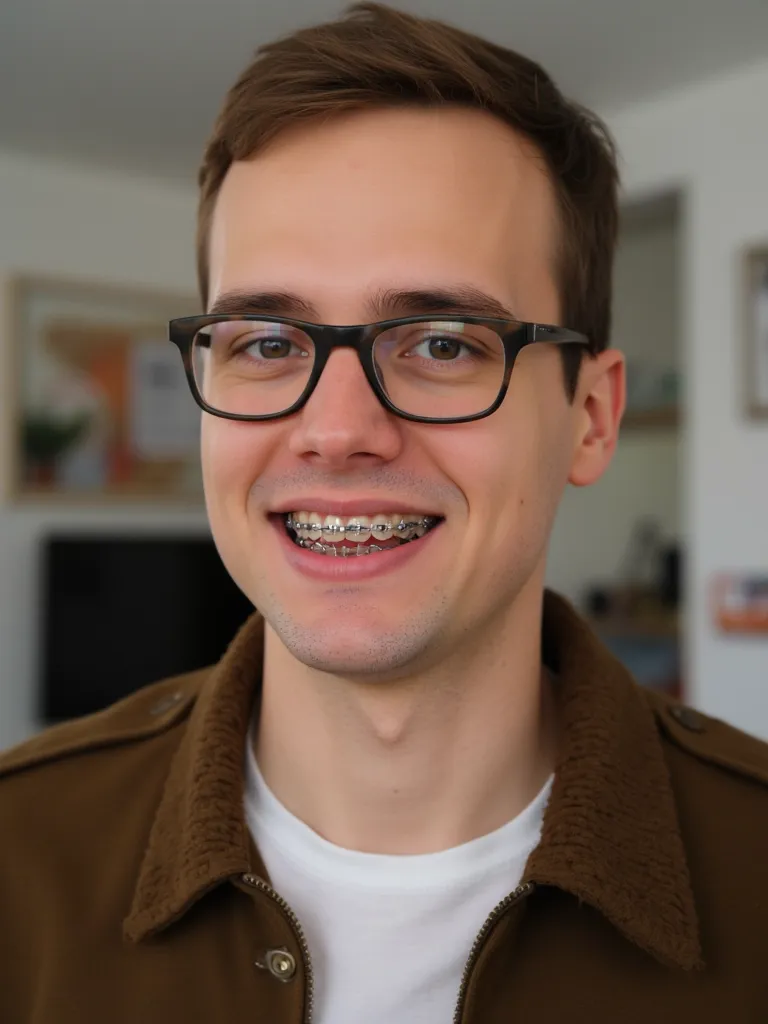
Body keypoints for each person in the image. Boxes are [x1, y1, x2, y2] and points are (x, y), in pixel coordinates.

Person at [2, 4, 767, 1022]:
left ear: (590, 416)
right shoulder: (19, 853)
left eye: (443, 341)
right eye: (267, 341)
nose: (336, 429)